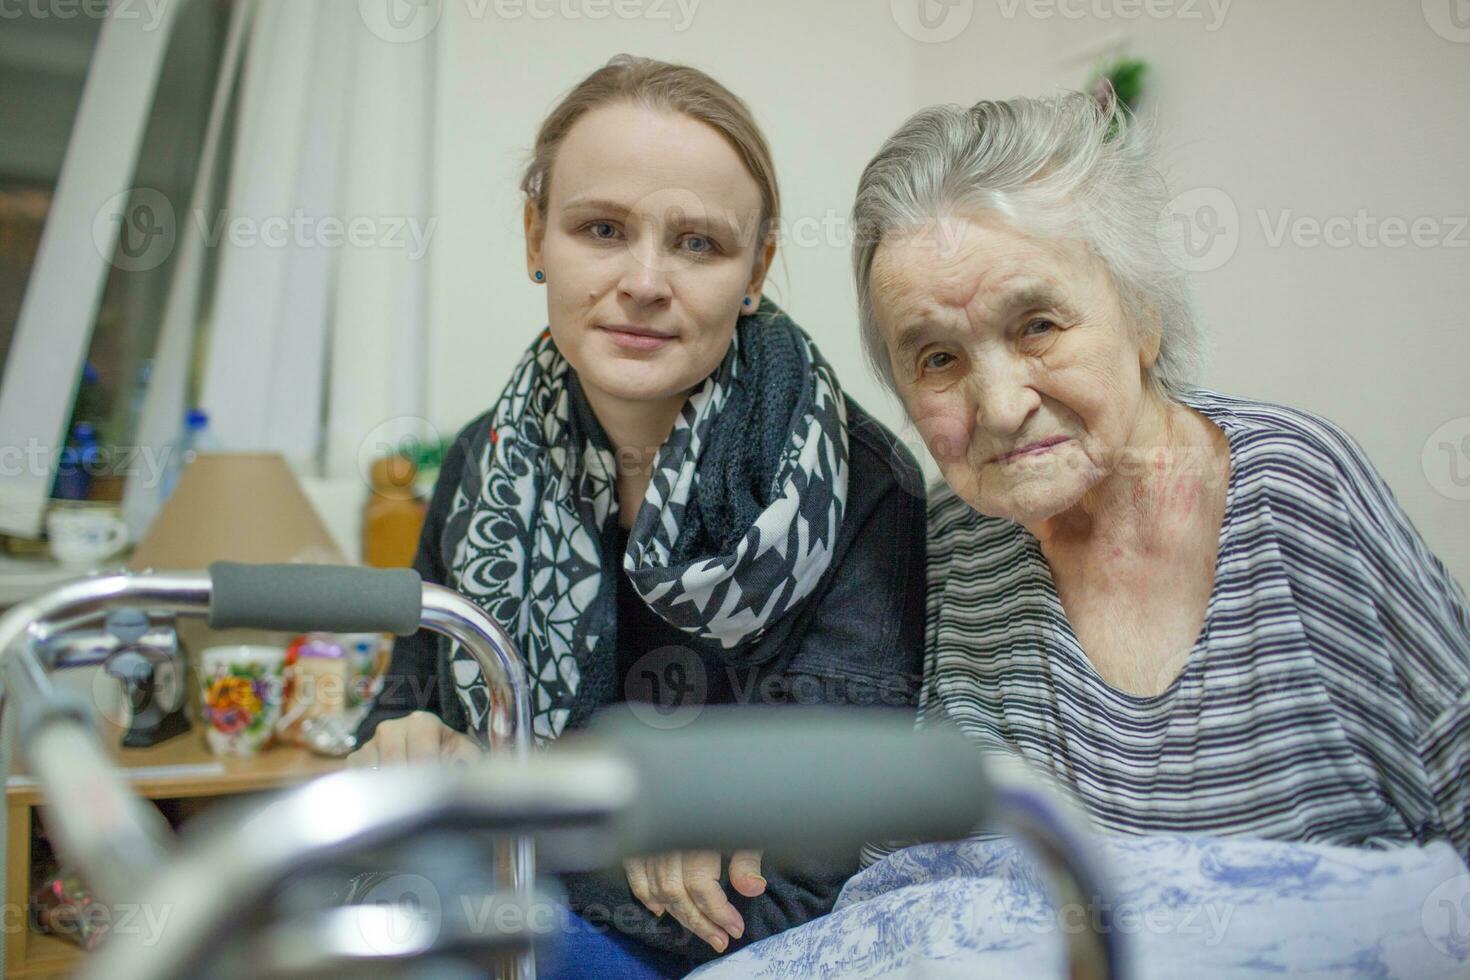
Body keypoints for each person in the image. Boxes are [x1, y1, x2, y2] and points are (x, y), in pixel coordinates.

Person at [349, 55, 926, 977]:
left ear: (756, 269)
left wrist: (503, 805)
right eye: (603, 228)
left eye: (699, 243)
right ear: (535, 234)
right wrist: (404, 747)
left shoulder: (862, 487)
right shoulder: (480, 463)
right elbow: (396, 723)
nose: (646, 281)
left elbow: (815, 858)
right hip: (497, 903)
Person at [850, 92, 1470, 859]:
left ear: (1143, 317)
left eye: (1037, 325)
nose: (1001, 408)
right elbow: (888, 874)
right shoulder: (938, 544)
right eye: (938, 359)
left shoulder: (1296, 486)